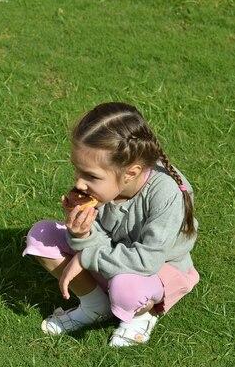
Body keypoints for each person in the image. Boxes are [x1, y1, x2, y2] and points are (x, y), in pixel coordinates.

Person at [23, 102, 199, 347]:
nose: (80, 184)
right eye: (77, 171)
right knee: (40, 235)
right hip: (111, 254)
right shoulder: (102, 187)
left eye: (91, 176)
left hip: (155, 270)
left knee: (125, 287)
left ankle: (142, 316)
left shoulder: (166, 193)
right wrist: (80, 234)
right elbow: (98, 237)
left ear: (130, 172)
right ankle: (95, 306)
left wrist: (86, 257)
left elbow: (147, 260)